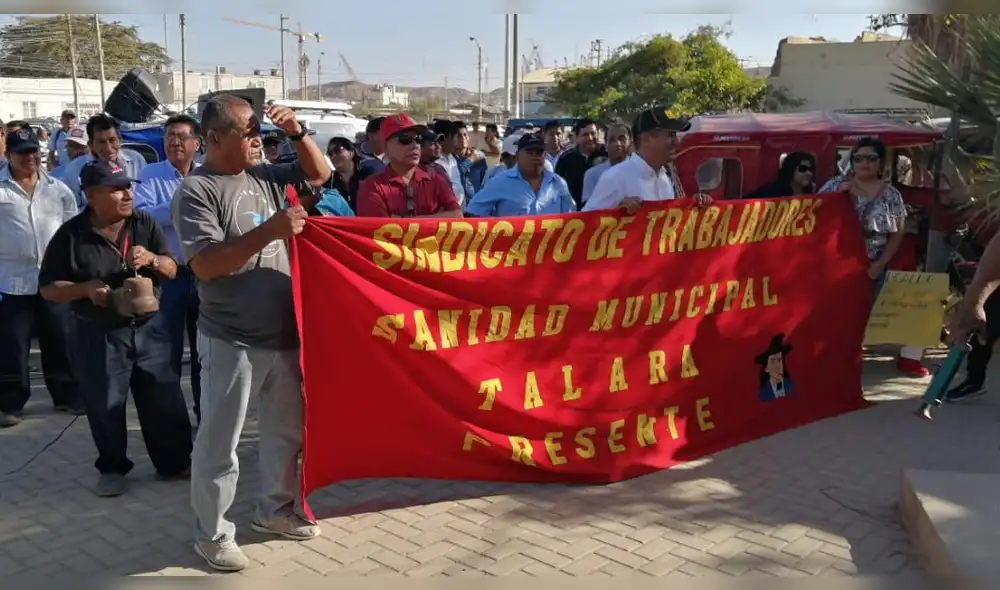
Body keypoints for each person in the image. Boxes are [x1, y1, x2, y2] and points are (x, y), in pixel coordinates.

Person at [172, 95, 330, 572]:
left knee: (284, 433)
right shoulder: (196, 191)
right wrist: (272, 231)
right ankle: (212, 533)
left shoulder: (263, 174)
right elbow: (205, 264)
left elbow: (320, 175)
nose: (258, 138)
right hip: (231, 338)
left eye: (261, 130)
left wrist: (299, 134)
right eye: (248, 131)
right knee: (221, 443)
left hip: (282, 333)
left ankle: (275, 510)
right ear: (215, 138)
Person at [38, 159, 193, 497]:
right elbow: (49, 288)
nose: (127, 194)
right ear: (92, 195)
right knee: (105, 402)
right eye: (117, 189)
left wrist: (152, 259)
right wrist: (85, 289)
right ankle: (112, 468)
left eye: (128, 186)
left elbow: (172, 268)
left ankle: (175, 462)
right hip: (99, 333)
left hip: (151, 330)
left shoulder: (144, 223)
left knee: (163, 397)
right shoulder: (72, 235)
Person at [818, 137, 926, 377]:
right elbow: (813, 215)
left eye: (870, 158)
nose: (864, 163)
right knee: (836, 316)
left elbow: (897, 233)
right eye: (858, 158)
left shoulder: (892, 195)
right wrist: (839, 199)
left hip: (873, 264)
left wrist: (880, 264)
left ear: (880, 163)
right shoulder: (836, 185)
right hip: (837, 265)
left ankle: (894, 359)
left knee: (870, 314)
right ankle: (833, 363)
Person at [0, 128, 81, 428]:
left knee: (60, 339)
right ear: (9, 155)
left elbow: (72, 230)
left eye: (33, 151)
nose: (30, 158)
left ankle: (66, 395)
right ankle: (10, 402)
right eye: (22, 153)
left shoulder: (58, 189)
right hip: (10, 281)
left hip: (53, 280)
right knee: (13, 346)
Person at [133, 114, 204, 423]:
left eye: (181, 136)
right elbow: (143, 214)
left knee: (206, 353)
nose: (174, 142)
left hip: (205, 272)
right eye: (169, 136)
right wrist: (184, 203)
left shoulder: (209, 175)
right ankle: (172, 423)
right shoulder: (151, 173)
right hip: (167, 273)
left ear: (197, 143)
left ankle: (207, 416)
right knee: (166, 353)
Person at [585, 107, 708, 213]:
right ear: (646, 139)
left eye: (675, 135)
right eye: (670, 135)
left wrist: (694, 206)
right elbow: (583, 225)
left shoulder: (663, 178)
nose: (677, 141)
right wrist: (615, 213)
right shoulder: (615, 178)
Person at [356, 113, 464, 219]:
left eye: (418, 139)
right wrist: (438, 218)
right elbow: (379, 229)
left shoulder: (437, 178)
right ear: (385, 146)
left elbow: (457, 216)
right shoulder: (372, 187)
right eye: (405, 139)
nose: (415, 145)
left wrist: (405, 220)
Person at [466, 133, 575, 217]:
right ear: (518, 155)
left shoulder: (558, 183)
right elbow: (472, 212)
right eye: (529, 153)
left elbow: (571, 217)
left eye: (539, 153)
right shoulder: (500, 182)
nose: (535, 157)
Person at [60, 114, 147, 207]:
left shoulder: (136, 160)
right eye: (101, 142)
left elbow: (145, 198)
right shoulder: (74, 170)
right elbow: (72, 210)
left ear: (120, 140)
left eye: (112, 140)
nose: (108, 148)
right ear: (91, 144)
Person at [556, 118, 608, 209]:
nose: (590, 138)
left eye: (593, 133)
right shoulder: (566, 160)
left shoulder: (607, 154)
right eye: (585, 135)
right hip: (576, 215)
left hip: (605, 211)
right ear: (576, 138)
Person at [581, 123, 632, 204]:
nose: (617, 144)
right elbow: (588, 211)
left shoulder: (641, 171)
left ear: (630, 142)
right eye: (612, 140)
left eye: (622, 139)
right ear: (605, 145)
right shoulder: (592, 175)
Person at [746, 152, 817, 198]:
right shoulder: (771, 192)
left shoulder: (813, 193)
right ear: (791, 169)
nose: (808, 173)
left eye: (810, 169)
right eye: (803, 169)